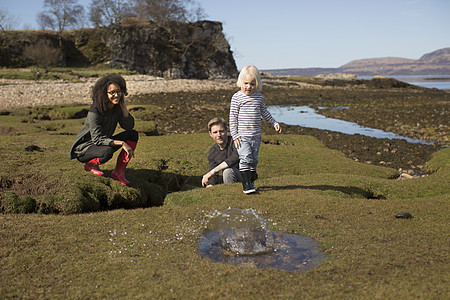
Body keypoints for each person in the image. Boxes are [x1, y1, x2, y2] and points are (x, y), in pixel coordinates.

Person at [68, 74, 139, 186]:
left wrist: (124, 108)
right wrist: (121, 143)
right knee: (107, 152)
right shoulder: (95, 111)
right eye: (112, 93)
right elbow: (97, 139)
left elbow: (129, 126)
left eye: (119, 91)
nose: (116, 95)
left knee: (133, 134)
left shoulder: (117, 108)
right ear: (104, 94)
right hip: (85, 149)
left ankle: (118, 173)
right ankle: (90, 164)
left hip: (103, 142)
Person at [229, 65, 282, 194]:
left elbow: (265, 112)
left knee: (253, 160)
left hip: (256, 136)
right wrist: (235, 136)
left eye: (252, 84)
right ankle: (246, 185)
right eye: (246, 83)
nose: (248, 87)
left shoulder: (258, 97)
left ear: (257, 83)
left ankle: (251, 178)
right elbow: (232, 118)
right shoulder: (237, 97)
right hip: (242, 136)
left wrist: (274, 123)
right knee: (245, 157)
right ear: (241, 82)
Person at [202, 117, 242, 187]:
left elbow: (235, 157)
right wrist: (210, 185)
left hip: (244, 177)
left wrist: (212, 172)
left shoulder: (235, 141)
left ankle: (231, 194)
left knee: (228, 171)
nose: (219, 135)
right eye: (215, 132)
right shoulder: (212, 151)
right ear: (210, 134)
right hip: (229, 180)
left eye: (221, 131)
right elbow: (213, 174)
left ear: (226, 130)